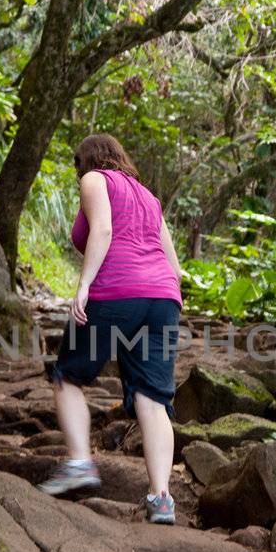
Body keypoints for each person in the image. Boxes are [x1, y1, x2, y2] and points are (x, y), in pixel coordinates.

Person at [40, 134, 183, 524]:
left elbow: (101, 231)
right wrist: (170, 305)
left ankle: (81, 464)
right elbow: (173, 263)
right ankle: (161, 498)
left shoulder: (95, 180)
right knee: (152, 399)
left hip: (116, 291)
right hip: (163, 299)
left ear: (86, 160)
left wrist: (84, 286)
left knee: (68, 376)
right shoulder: (149, 198)